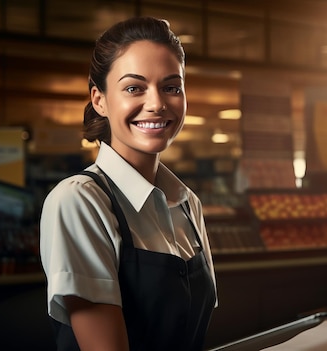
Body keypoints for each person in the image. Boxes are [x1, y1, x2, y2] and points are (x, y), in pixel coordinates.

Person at [39, 17, 217, 351]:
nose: (157, 104)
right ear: (99, 100)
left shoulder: (187, 204)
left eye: (171, 86)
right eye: (134, 88)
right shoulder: (79, 201)